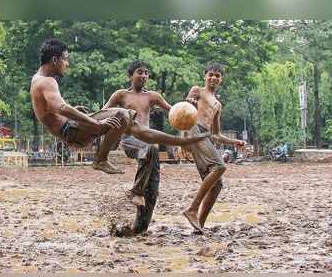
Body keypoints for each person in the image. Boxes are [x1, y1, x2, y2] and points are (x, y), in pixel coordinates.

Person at [30, 39, 209, 175]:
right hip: (71, 130)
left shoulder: (38, 80)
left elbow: (54, 110)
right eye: (65, 59)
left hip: (72, 128)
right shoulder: (46, 81)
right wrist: (95, 123)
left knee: (133, 123)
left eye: (147, 73)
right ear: (55, 59)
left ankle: (181, 142)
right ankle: (101, 159)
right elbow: (61, 108)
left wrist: (187, 106)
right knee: (123, 116)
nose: (67, 64)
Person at [102, 60, 179, 234]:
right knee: (152, 148)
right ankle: (136, 190)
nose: (144, 75)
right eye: (139, 72)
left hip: (148, 144)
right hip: (130, 141)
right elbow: (104, 112)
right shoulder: (120, 95)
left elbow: (173, 111)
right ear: (130, 76)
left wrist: (188, 108)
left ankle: (139, 228)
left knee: (153, 188)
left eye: (146, 73)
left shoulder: (153, 96)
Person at [182, 63, 246, 233]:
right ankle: (192, 209)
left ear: (221, 80)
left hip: (205, 137)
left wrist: (235, 142)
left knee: (217, 185)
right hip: (193, 130)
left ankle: (198, 226)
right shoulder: (197, 91)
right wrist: (182, 138)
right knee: (220, 166)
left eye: (217, 75)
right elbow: (183, 113)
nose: (213, 78)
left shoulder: (218, 105)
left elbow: (216, 134)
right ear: (205, 76)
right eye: (211, 74)